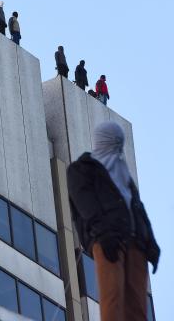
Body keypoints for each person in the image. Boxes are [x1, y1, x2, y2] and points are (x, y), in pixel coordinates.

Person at [67, 121, 159, 321]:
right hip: (109, 240)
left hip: (136, 243)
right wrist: (102, 233)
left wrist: (150, 242)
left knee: (137, 306)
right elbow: (86, 204)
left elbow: (137, 209)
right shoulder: (82, 169)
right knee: (113, 298)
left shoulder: (124, 175)